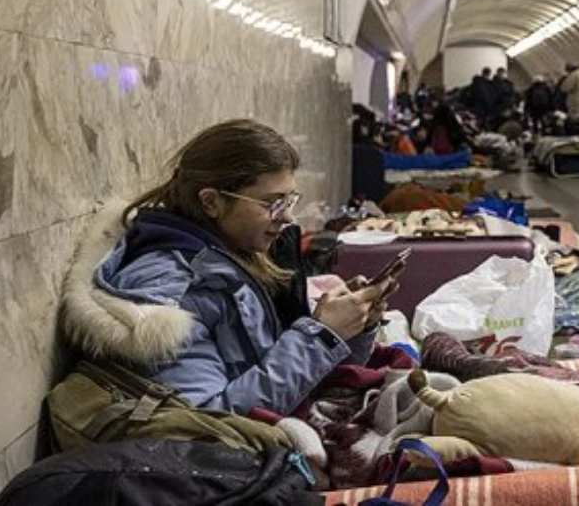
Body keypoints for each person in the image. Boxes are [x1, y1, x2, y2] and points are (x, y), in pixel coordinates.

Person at [60, 120, 393, 416]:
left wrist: (354, 324)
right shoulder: (169, 293)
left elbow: (291, 377)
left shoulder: (230, 256)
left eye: (289, 201)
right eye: (272, 203)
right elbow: (209, 423)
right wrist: (320, 337)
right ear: (211, 202)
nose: (288, 217)